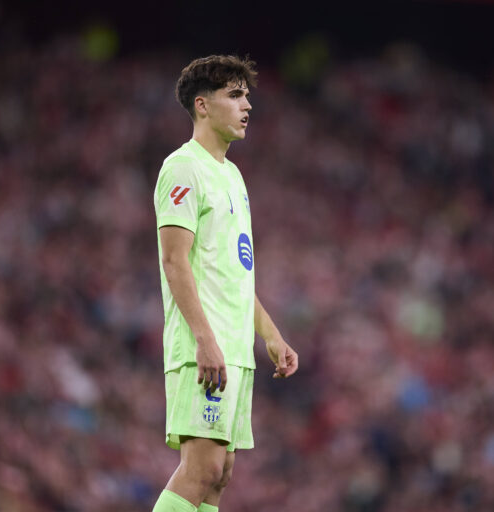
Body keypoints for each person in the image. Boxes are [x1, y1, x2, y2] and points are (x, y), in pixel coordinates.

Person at [151, 55, 299, 512]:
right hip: (205, 345)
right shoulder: (182, 168)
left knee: (221, 476)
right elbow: (174, 262)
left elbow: (235, 272)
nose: (247, 104)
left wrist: (271, 336)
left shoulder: (233, 176)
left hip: (234, 350)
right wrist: (204, 340)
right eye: (235, 95)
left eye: (247, 95)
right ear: (202, 105)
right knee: (202, 470)